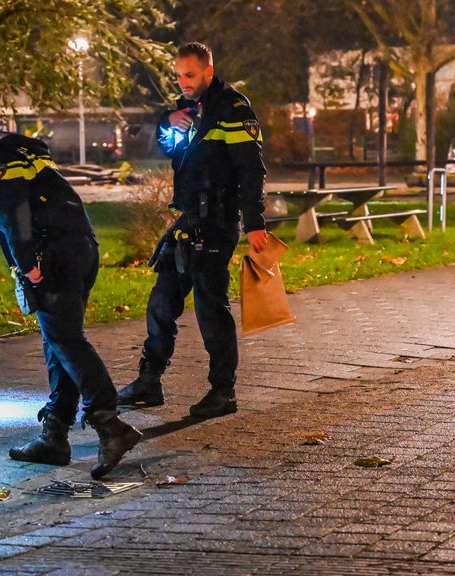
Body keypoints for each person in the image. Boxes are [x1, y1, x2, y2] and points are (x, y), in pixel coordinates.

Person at [0, 105, 141, 479]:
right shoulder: (21, 150)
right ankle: (55, 436)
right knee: (60, 343)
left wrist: (27, 262)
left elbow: (15, 211)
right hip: (79, 247)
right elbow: (34, 206)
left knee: (67, 341)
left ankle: (111, 426)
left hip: (52, 256)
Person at [118, 42, 268, 417]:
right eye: (179, 75)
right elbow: (170, 150)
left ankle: (222, 393)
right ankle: (148, 382)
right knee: (162, 301)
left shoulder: (232, 109)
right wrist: (166, 124)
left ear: (208, 72)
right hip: (188, 220)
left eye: (190, 75)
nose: (183, 82)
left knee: (210, 309)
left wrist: (254, 224)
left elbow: (252, 170)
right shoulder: (187, 109)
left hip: (217, 223)